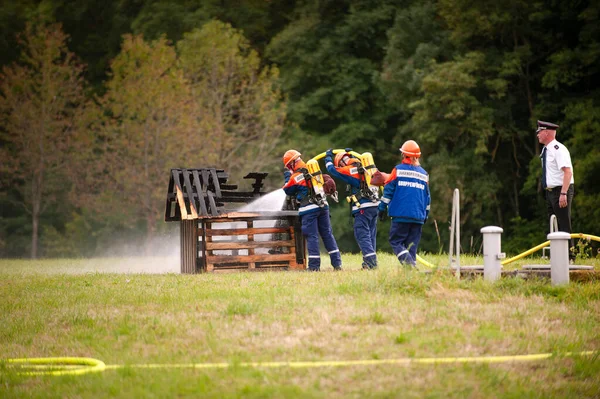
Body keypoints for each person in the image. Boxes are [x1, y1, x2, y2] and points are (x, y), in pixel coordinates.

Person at [282, 149, 342, 271]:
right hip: (323, 206)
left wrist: (287, 176)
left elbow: (287, 190)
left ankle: (314, 267)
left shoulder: (295, 176)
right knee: (327, 235)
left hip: (309, 209)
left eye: (289, 166)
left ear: (292, 163)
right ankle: (337, 264)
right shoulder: (313, 169)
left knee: (312, 236)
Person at [378, 140, 430, 267]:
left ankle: (410, 267)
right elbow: (427, 198)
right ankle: (411, 274)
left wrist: (381, 208)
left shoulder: (397, 170)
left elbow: (388, 190)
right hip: (418, 217)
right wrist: (426, 215)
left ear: (403, 155)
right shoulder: (424, 174)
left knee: (396, 241)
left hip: (401, 215)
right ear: (417, 156)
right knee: (411, 246)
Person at [324, 149, 379, 269]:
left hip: (363, 208)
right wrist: (352, 153)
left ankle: (371, 263)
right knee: (370, 235)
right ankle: (368, 263)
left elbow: (333, 170)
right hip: (375, 206)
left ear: (342, 162)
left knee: (362, 235)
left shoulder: (351, 169)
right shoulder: (367, 168)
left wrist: (328, 158)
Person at [537, 120, 575, 259]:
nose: (537, 135)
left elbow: (568, 172)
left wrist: (563, 193)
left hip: (561, 190)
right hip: (550, 191)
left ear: (546, 132)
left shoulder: (559, 149)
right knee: (552, 223)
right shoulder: (546, 149)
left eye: (539, 132)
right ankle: (557, 255)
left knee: (564, 223)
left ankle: (569, 257)